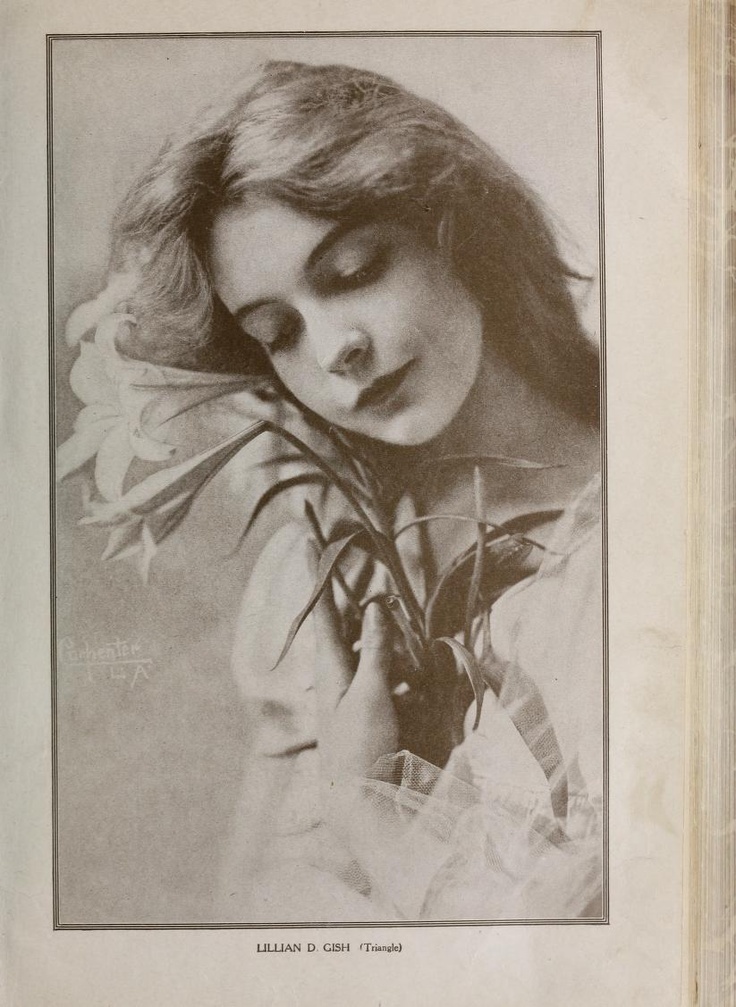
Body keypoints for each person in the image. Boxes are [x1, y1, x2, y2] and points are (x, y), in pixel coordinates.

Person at [62, 60, 603, 922]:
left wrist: (362, 808)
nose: (332, 351)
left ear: (459, 231)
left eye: (353, 271)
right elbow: (243, 922)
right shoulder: (307, 575)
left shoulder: (663, 532)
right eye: (277, 333)